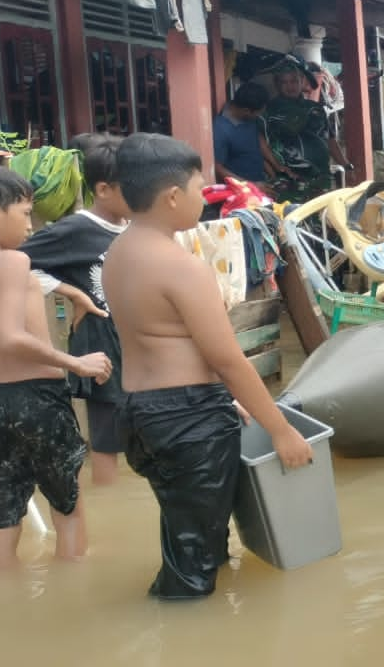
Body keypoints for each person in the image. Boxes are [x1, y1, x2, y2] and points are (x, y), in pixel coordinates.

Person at [102, 133, 312, 599]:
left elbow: (165, 341)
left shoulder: (118, 254)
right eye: (200, 189)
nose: (204, 199)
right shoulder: (181, 266)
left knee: (191, 538)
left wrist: (222, 401)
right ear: (173, 196)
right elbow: (227, 358)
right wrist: (279, 429)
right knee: (191, 573)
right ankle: (179, 633)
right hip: (187, 418)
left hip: (141, 414)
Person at [0, 164, 111, 569]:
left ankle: (8, 610)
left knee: (1, 519)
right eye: (25, 213)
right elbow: (11, 336)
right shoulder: (10, 262)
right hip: (38, 399)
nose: (31, 226)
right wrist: (75, 362)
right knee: (68, 507)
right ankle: (75, 600)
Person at [19, 133, 130, 486]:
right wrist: (72, 293)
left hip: (135, 344)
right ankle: (110, 505)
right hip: (100, 345)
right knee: (107, 439)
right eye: (130, 186)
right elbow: (15, 263)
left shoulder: (135, 228)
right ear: (103, 189)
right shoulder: (75, 229)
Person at [261, 61, 351, 203]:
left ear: (302, 81)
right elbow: (261, 145)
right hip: (290, 179)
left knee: (322, 219)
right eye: (285, 82)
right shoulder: (269, 112)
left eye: (294, 81)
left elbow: (330, 139)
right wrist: (275, 171)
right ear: (277, 84)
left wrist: (345, 164)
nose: (290, 86)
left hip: (321, 175)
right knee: (292, 218)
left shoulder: (316, 109)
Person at [212, 82, 271, 191]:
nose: (260, 116)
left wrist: (275, 167)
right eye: (258, 113)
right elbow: (217, 167)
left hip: (261, 184)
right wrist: (250, 185)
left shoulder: (247, 117)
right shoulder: (221, 130)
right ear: (246, 111)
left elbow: (256, 140)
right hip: (242, 192)